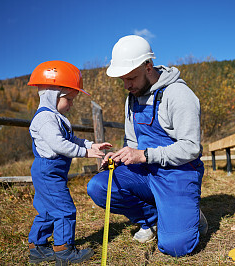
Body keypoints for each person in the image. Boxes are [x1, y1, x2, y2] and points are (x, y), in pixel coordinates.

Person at [87, 35, 207, 257]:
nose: (127, 85)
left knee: (176, 247)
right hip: (146, 170)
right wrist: (120, 156)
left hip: (177, 173)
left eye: (131, 78)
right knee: (98, 187)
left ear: (148, 66)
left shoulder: (179, 95)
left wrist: (145, 155)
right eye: (122, 80)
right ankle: (151, 218)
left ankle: (189, 214)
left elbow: (191, 148)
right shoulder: (132, 97)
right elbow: (133, 143)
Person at [27, 60, 112, 264]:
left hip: (49, 172)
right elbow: (59, 145)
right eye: (70, 99)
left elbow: (71, 139)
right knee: (65, 210)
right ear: (54, 93)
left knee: (47, 210)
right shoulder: (46, 119)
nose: (71, 105)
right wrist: (85, 153)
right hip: (48, 172)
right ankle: (64, 251)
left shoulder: (55, 117)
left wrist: (91, 145)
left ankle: (37, 247)